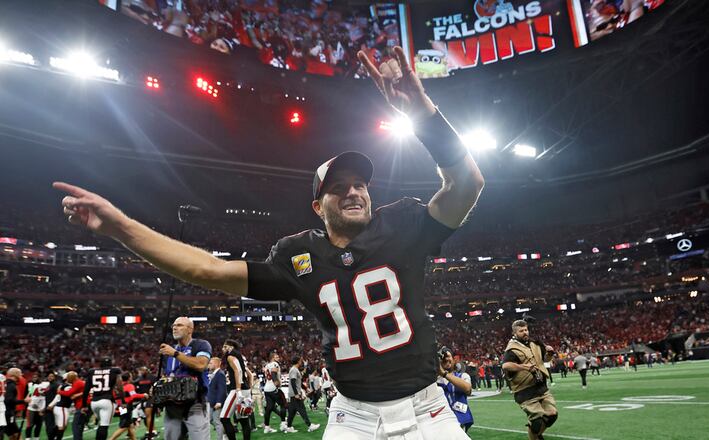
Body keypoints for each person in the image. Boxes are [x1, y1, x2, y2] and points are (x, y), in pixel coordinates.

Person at [54, 43, 484, 440]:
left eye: (360, 184)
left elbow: (467, 182)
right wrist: (119, 227)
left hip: (428, 409)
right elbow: (208, 270)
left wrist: (423, 113)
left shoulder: (403, 223)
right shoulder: (299, 255)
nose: (354, 192)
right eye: (339, 188)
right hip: (353, 417)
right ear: (319, 207)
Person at [502, 320, 558, 440]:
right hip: (525, 391)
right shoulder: (512, 349)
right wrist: (524, 367)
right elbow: (506, 366)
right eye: (521, 331)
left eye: (526, 330)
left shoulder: (535, 343)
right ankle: (535, 435)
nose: (525, 332)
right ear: (514, 333)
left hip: (541, 387)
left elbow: (545, 360)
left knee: (552, 415)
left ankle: (536, 435)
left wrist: (550, 353)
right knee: (537, 421)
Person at [158, 317, 212, 440]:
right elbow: (167, 376)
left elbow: (201, 365)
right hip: (172, 406)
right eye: (173, 325)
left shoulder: (201, 344)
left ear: (190, 330)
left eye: (180, 325)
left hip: (195, 404)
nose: (175, 327)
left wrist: (175, 354)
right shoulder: (168, 351)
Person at [219, 340, 251, 440]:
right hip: (244, 388)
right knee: (243, 420)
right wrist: (247, 387)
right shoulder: (239, 355)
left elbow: (238, 370)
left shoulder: (230, 356)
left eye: (225, 346)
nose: (222, 349)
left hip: (237, 389)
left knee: (224, 418)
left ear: (230, 347)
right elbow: (248, 373)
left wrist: (238, 388)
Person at [83, 358, 122, 440]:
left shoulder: (91, 371)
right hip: (106, 401)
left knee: (101, 425)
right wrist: (123, 400)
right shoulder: (115, 370)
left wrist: (84, 405)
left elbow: (86, 389)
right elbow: (119, 387)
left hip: (94, 402)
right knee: (104, 425)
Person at [436, 349, 473, 433]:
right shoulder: (434, 380)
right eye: (443, 357)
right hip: (441, 420)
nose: (446, 359)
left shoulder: (463, 376)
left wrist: (444, 374)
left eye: (448, 356)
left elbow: (468, 389)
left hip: (460, 419)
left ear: (454, 359)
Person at [283, 356, 320, 434]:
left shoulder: (294, 369)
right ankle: (310, 426)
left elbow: (298, 382)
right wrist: (296, 394)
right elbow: (293, 382)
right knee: (302, 409)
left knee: (292, 412)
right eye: (300, 361)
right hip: (295, 394)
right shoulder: (294, 370)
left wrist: (305, 388)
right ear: (298, 361)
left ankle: (288, 427)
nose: (301, 362)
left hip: (293, 394)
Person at [108, 373, 148, 440]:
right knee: (124, 426)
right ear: (129, 378)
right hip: (127, 406)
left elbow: (114, 397)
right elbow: (133, 396)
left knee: (130, 425)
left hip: (121, 406)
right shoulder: (129, 385)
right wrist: (143, 395)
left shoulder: (117, 386)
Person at [261, 352, 286, 433]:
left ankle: (267, 427)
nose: (278, 357)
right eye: (276, 356)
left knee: (269, 408)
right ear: (272, 357)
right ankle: (283, 424)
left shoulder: (266, 365)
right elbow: (273, 374)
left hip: (266, 389)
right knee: (283, 404)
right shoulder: (274, 364)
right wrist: (277, 385)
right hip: (273, 388)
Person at [4, 368, 31, 440]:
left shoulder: (6, 383)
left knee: (11, 435)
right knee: (16, 434)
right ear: (15, 374)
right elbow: (9, 400)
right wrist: (24, 401)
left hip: (5, 412)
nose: (21, 375)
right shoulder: (11, 385)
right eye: (20, 373)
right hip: (8, 412)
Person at [133, 367, 156, 440]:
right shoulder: (138, 379)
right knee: (146, 416)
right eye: (141, 370)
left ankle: (149, 433)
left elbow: (157, 387)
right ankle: (152, 430)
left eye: (143, 370)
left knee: (148, 414)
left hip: (151, 398)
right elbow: (134, 386)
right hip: (142, 399)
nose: (142, 371)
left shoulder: (152, 377)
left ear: (147, 370)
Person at [206, 357, 227, 440]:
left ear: (215, 364)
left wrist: (219, 402)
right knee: (211, 420)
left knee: (217, 422)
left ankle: (221, 438)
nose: (209, 365)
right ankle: (225, 433)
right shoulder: (214, 373)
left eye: (210, 363)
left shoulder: (220, 374)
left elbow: (222, 389)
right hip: (211, 402)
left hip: (216, 402)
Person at [24, 374, 47, 440]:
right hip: (32, 409)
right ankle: (28, 438)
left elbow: (44, 399)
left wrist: (42, 409)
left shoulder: (43, 385)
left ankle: (36, 438)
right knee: (30, 425)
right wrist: (40, 409)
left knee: (39, 425)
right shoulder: (33, 387)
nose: (34, 378)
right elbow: (30, 398)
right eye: (33, 377)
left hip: (40, 409)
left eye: (36, 377)